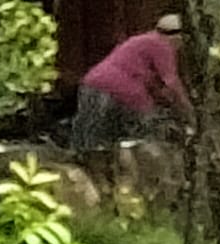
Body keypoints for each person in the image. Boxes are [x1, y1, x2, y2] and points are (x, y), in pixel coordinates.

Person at [71, 14, 191, 162]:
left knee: (90, 137)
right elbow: (171, 82)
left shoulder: (142, 40)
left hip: (91, 83)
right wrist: (187, 109)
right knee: (147, 132)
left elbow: (149, 80)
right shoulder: (163, 46)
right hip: (124, 91)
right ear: (178, 36)